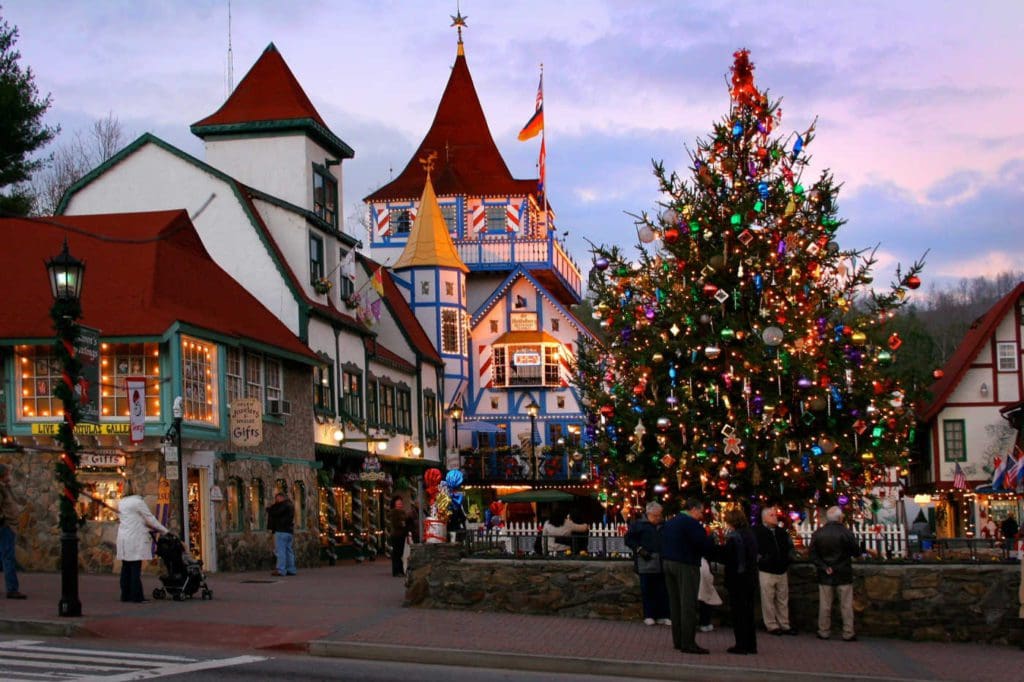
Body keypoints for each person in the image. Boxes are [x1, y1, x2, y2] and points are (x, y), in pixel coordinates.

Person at [662, 497, 713, 655]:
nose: (701, 515)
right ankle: (688, 642)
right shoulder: (691, 523)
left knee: (675, 603)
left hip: (668, 562)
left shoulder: (671, 521)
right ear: (694, 509)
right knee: (688, 603)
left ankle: (678, 640)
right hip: (686, 564)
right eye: (700, 512)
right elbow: (702, 544)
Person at [710, 508, 759, 655]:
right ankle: (751, 644)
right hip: (750, 577)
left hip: (738, 578)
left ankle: (741, 644)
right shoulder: (750, 534)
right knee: (748, 612)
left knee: (739, 613)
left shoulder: (734, 537)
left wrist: (714, 550)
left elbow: (728, 557)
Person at [809, 505, 860, 641]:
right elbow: (856, 551)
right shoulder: (846, 533)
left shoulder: (818, 533)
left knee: (825, 605)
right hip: (843, 572)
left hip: (825, 573)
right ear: (839, 517)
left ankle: (824, 631)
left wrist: (824, 566)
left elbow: (813, 555)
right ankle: (848, 632)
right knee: (846, 605)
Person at [116, 480, 168, 603]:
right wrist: (164, 530)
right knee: (135, 568)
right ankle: (136, 595)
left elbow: (131, 519)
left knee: (126, 567)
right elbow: (150, 518)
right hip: (135, 538)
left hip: (124, 537)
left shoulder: (121, 503)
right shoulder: (138, 502)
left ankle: (125, 594)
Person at [624, 501, 671, 626]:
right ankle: (649, 615)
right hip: (646, 561)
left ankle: (663, 614)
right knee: (648, 590)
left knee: (663, 590)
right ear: (649, 514)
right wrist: (639, 550)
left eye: (659, 515)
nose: (658, 518)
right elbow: (628, 539)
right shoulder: (638, 525)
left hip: (661, 561)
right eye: (655, 515)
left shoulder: (663, 525)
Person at [753, 505, 796, 635]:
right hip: (766, 570)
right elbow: (754, 549)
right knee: (768, 599)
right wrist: (761, 560)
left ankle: (784, 624)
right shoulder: (757, 532)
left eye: (775, 515)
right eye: (772, 515)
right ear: (764, 518)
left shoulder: (781, 532)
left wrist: (788, 559)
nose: (775, 517)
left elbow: (790, 547)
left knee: (782, 599)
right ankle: (771, 624)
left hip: (781, 569)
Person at [0, 463, 27, 599]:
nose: (9, 476)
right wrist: (4, 520)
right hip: (5, 526)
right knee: (8, 557)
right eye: (7, 474)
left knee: (6, 557)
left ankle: (12, 587)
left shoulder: (6, 488)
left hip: (8, 525)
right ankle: (12, 588)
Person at [267, 491, 296, 577]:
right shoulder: (290, 505)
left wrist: (270, 509)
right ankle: (291, 569)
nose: (276, 500)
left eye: (277, 498)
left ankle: (281, 570)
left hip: (281, 530)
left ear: (281, 497)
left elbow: (276, 513)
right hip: (289, 531)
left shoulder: (283, 505)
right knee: (288, 550)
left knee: (281, 551)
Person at [697, 558, 722, 632]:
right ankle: (705, 623)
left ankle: (703, 623)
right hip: (704, 569)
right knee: (707, 599)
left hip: (698, 567)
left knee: (704, 598)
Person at [388, 496, 410, 577]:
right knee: (396, 553)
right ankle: (396, 571)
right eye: (398, 503)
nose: (400, 505)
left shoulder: (403, 512)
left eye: (401, 503)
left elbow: (405, 523)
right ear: (395, 504)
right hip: (396, 535)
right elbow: (396, 524)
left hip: (402, 535)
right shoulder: (394, 512)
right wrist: (403, 523)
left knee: (400, 553)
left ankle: (400, 570)